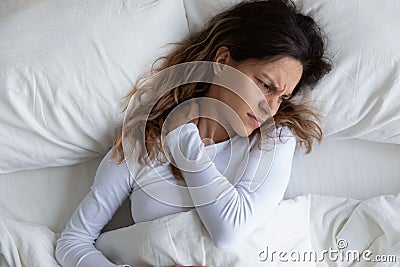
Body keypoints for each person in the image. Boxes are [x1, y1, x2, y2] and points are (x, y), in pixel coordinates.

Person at [55, 0, 332, 266]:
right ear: (222, 62)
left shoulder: (274, 139)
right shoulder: (143, 143)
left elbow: (229, 232)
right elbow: (73, 241)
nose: (270, 108)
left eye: (282, 97)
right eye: (265, 85)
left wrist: (183, 141)